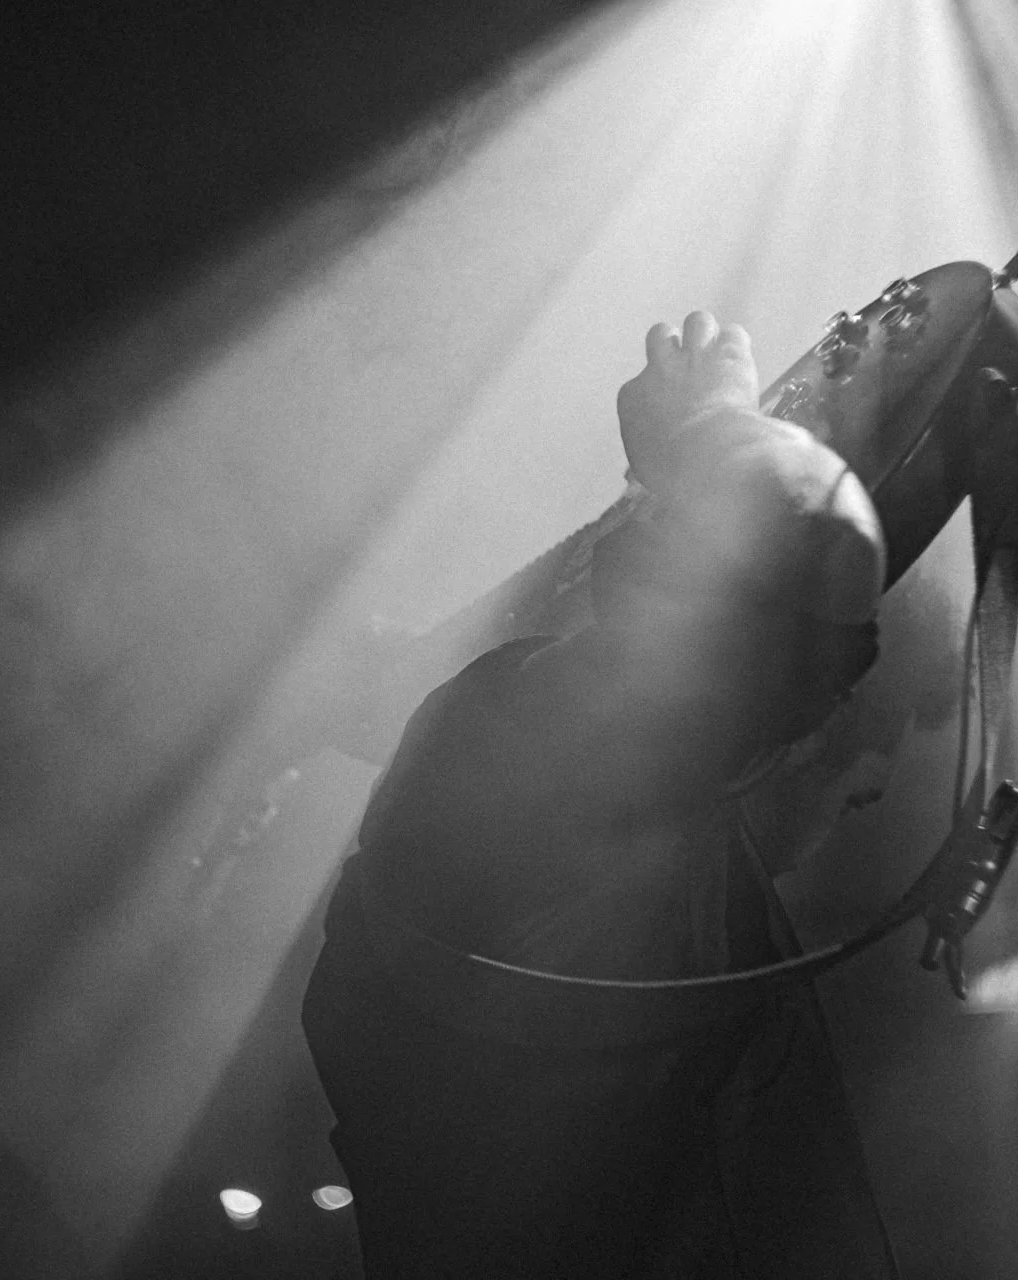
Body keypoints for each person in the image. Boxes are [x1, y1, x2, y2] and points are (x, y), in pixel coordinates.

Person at [302, 311, 901, 1277]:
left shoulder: (523, 761)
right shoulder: (526, 751)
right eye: (849, 738)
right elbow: (806, 550)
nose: (862, 796)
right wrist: (711, 433)